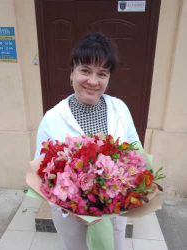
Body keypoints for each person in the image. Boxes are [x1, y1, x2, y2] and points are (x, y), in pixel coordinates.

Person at [35, 32, 139, 250]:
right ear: (71, 72)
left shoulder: (120, 110)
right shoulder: (53, 118)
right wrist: (68, 209)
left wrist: (126, 192)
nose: (93, 81)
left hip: (113, 214)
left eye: (102, 73)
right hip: (72, 219)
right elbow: (41, 177)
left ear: (108, 79)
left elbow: (135, 156)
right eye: (85, 70)